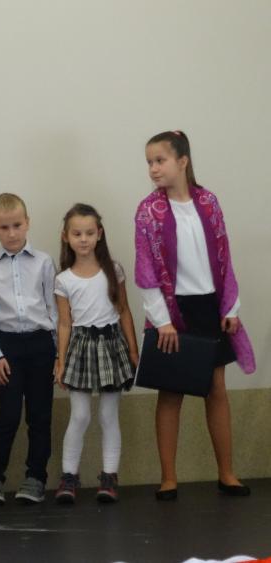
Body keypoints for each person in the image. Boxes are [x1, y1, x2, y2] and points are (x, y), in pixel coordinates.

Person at [135, 130, 255, 501]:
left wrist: (229, 307)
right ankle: (169, 478)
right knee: (171, 390)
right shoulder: (148, 211)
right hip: (173, 310)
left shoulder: (208, 202)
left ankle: (227, 473)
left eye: (160, 160)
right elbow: (146, 270)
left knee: (216, 388)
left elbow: (223, 255)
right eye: (149, 162)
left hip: (208, 305)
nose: (154, 168)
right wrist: (162, 320)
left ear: (182, 161)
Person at [53, 203, 138, 504]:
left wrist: (133, 350)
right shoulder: (64, 279)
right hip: (80, 348)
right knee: (79, 415)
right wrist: (60, 360)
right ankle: (68, 477)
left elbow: (124, 311)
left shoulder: (113, 270)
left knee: (107, 415)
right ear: (66, 237)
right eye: (77, 233)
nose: (84, 239)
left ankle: (109, 477)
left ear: (99, 234)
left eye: (89, 233)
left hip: (111, 345)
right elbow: (65, 323)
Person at [0, 193, 57, 506]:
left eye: (17, 225)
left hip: (41, 344)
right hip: (7, 346)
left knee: (39, 415)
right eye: (4, 227)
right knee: (8, 415)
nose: (12, 233)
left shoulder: (43, 262)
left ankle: (35, 477)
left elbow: (53, 309)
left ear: (27, 223)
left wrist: (58, 354)